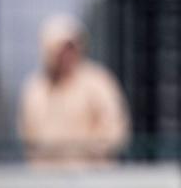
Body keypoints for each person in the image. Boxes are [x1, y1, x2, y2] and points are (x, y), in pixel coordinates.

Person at [18, 13, 131, 168]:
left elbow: (114, 131)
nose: (66, 54)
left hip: (93, 177)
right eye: (61, 49)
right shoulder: (35, 88)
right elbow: (28, 136)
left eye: (71, 47)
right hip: (46, 178)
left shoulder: (98, 82)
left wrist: (81, 153)